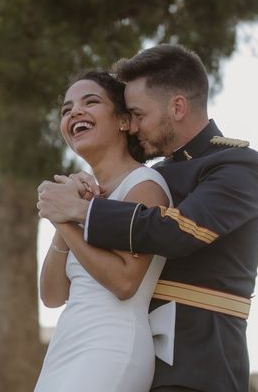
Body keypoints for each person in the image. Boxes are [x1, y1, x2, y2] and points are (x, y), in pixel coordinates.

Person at [37, 44, 258, 392]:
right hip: (131, 350)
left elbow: (178, 231)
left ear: (177, 107)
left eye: (139, 114)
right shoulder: (156, 173)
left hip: (197, 357)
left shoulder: (238, 165)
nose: (132, 126)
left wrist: (79, 211)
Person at [34, 69, 173, 392]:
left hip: (112, 345)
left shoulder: (144, 186)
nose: (75, 112)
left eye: (90, 102)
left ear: (123, 121)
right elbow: (52, 296)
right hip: (66, 345)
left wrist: (65, 217)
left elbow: (125, 283)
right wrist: (65, 218)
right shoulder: (83, 194)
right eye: (66, 110)